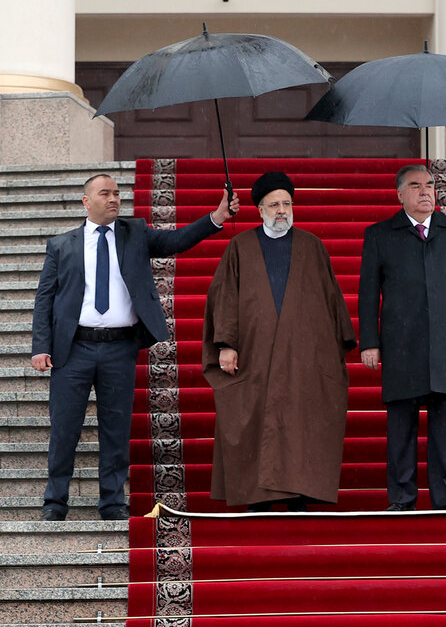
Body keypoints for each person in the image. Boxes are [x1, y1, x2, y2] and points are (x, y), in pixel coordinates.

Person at [32, 174, 237, 521]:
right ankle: (55, 502)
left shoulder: (135, 233)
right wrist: (41, 346)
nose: (113, 199)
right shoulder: (62, 245)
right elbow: (44, 299)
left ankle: (113, 503)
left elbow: (176, 241)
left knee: (116, 429)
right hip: (73, 350)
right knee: (65, 429)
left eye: (116, 193)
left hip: (119, 349)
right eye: (105, 193)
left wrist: (216, 217)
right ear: (86, 201)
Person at [202, 172, 355, 511]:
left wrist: (330, 351)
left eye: (287, 203)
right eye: (274, 204)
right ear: (260, 210)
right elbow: (224, 297)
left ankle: (300, 496)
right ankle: (260, 501)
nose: (282, 210)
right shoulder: (239, 247)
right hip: (253, 356)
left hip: (304, 358)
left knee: (301, 424)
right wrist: (226, 344)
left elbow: (330, 301)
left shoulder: (312, 246)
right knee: (256, 422)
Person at [358, 164, 446, 511]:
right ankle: (401, 497)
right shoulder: (380, 234)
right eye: (415, 186)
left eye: (430, 185)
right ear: (400, 194)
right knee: (401, 427)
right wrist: (370, 342)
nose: (425, 191)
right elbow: (368, 294)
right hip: (400, 344)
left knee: (445, 427)